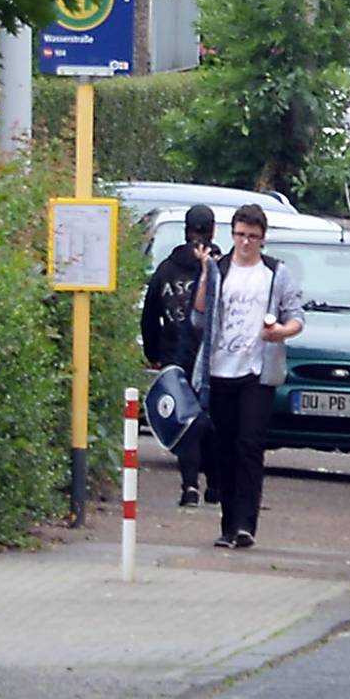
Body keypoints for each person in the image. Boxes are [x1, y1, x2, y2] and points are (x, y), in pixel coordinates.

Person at [192, 204, 305, 549]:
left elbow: (296, 316)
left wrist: (281, 332)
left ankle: (246, 524)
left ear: (263, 239)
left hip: (258, 371)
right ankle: (228, 525)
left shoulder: (275, 273)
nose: (245, 243)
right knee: (224, 448)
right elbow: (198, 317)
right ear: (233, 235)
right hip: (220, 369)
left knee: (250, 446)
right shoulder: (219, 268)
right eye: (240, 235)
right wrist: (204, 273)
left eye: (253, 237)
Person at [141, 205, 219, 507]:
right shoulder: (220, 265)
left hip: (176, 357)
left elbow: (150, 316)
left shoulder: (166, 270)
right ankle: (215, 485)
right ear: (212, 231)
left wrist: (153, 353)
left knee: (186, 421)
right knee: (212, 421)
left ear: (186, 229)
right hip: (214, 357)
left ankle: (189, 486)